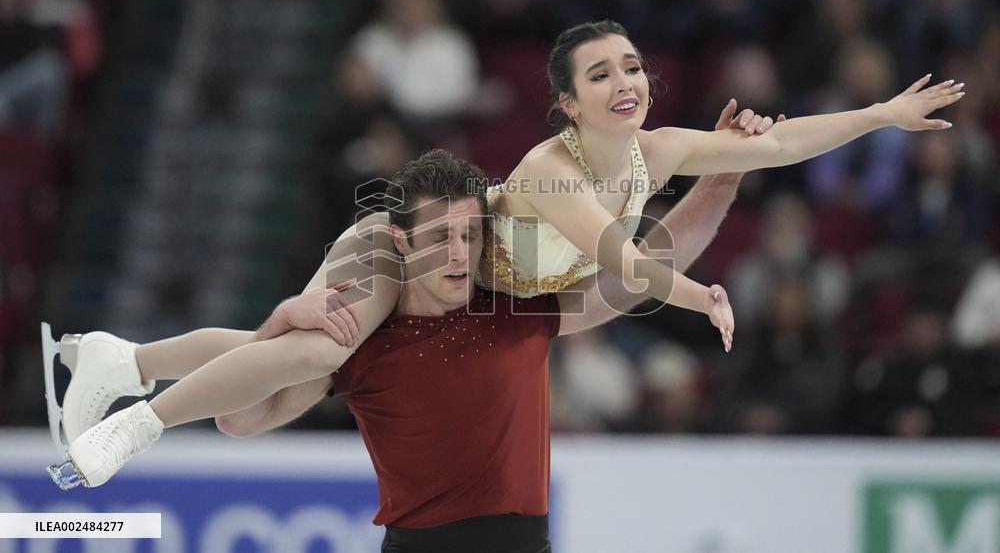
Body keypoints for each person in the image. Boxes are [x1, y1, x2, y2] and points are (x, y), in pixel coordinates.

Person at [51, 17, 960, 486]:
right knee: (316, 350)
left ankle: (119, 358)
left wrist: (880, 114)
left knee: (278, 390)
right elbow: (621, 259)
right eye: (599, 74)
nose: (625, 83)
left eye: (632, 67)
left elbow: (777, 145)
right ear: (565, 101)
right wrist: (703, 295)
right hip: (411, 248)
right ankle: (139, 421)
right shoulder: (548, 171)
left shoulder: (664, 151)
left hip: (461, 296)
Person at [49, 138, 754, 551]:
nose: (459, 254)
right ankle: (129, 386)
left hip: (520, 544)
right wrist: (284, 320)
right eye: (441, 238)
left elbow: (654, 260)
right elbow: (241, 416)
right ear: (401, 241)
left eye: (471, 236)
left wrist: (722, 177)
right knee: (314, 345)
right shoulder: (360, 343)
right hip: (419, 548)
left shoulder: (515, 306)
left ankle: (124, 361)